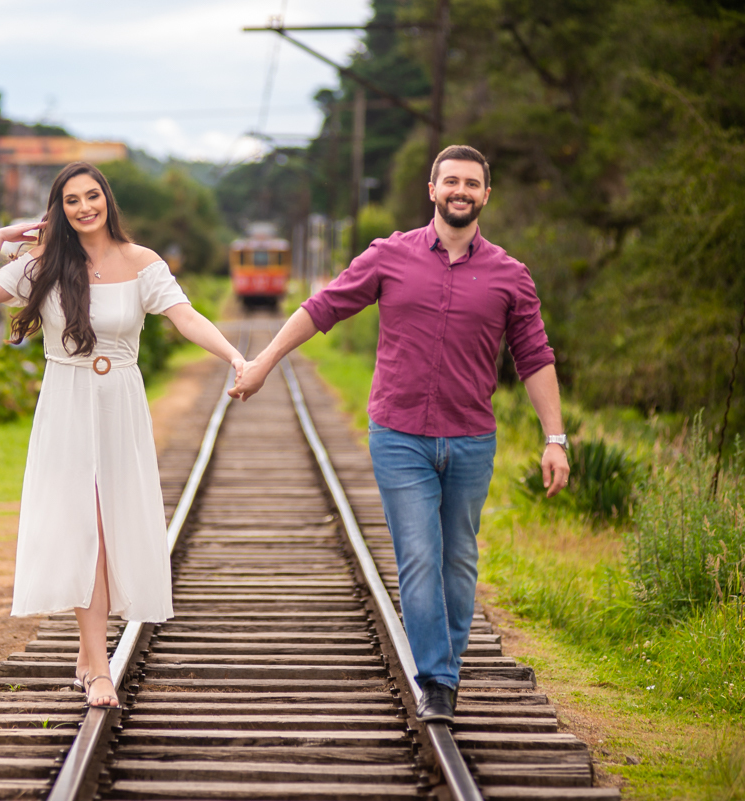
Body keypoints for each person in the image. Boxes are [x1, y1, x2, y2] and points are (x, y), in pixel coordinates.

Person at [230, 145, 570, 724]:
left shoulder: (511, 275)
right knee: (418, 555)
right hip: (399, 435)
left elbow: (534, 357)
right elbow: (324, 307)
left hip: (470, 439)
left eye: (472, 183)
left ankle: (447, 662)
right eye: (451, 181)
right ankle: (438, 679)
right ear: (432, 190)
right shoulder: (389, 256)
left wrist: (555, 438)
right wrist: (262, 361)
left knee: (458, 560)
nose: (460, 191)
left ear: (486, 195)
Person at [0, 162, 245, 709]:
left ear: (107, 201)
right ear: (59, 210)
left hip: (120, 406)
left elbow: (185, 317)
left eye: (92, 196)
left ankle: (90, 657)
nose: (84, 207)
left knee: (112, 528)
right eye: (71, 200)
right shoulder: (44, 262)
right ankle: (99, 671)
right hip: (66, 403)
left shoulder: (143, 263)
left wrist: (234, 355)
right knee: (86, 528)